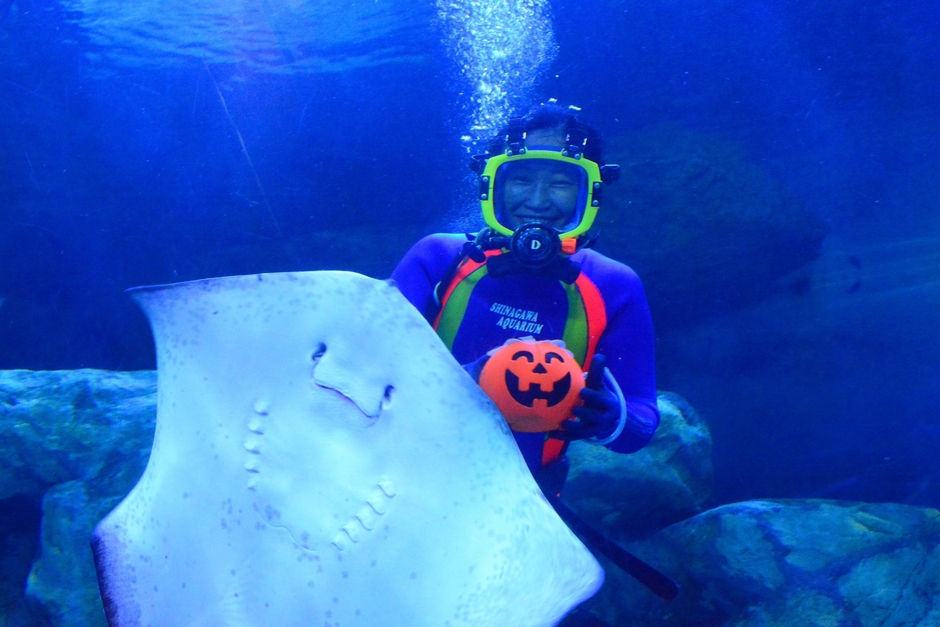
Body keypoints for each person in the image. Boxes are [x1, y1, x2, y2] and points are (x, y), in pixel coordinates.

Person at [391, 102, 659, 495]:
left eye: (561, 183)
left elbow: (641, 419)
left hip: (525, 500)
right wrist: (466, 383)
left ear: (591, 192)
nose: (537, 200)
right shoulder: (436, 259)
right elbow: (365, 370)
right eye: (520, 179)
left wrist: (612, 418)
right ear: (492, 185)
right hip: (398, 474)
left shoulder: (615, 286)